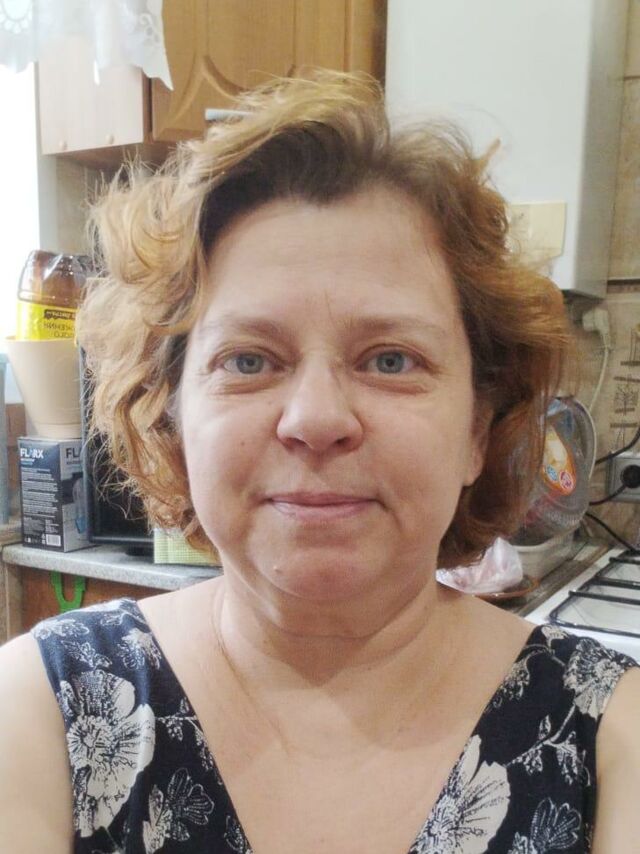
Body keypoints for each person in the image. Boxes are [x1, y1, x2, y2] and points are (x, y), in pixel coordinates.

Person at [1, 71, 638, 854]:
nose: (316, 420)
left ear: (477, 428)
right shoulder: (39, 711)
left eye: (392, 360)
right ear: (171, 415)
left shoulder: (611, 738)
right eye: (248, 360)